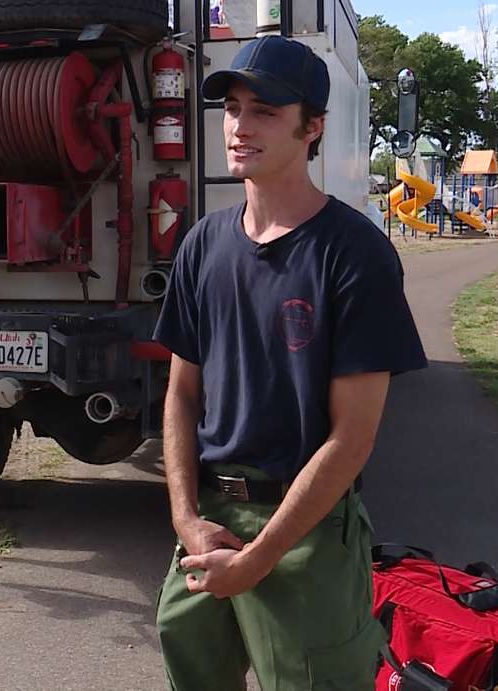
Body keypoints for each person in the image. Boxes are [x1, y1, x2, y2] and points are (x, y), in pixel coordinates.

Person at [153, 36, 427, 690]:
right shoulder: (203, 245)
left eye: (266, 112)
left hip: (305, 530)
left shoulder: (354, 254)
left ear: (313, 130)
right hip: (212, 520)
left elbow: (351, 438)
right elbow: (181, 396)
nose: (240, 127)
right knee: (187, 660)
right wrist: (185, 517)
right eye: (233, 108)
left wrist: (261, 558)